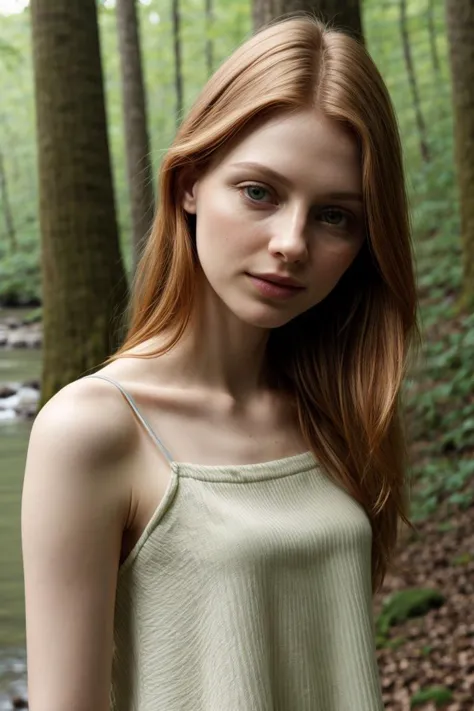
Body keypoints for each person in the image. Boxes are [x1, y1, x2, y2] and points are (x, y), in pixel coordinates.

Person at [21, 14, 419, 711]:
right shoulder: (93, 429)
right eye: (260, 192)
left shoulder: (332, 411)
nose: (291, 242)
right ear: (189, 185)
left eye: (335, 216)